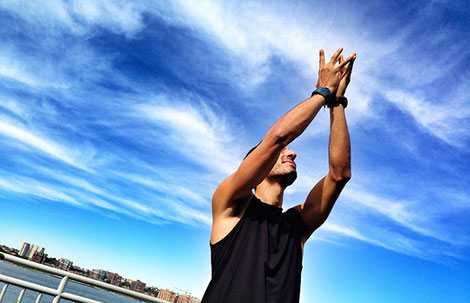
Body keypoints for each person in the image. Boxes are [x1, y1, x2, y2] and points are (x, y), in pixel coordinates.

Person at [201, 47, 356, 303]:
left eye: (289, 151)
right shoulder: (230, 204)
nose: (292, 153)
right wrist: (322, 92)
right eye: (282, 153)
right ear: (258, 166)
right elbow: (277, 137)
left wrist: (337, 103)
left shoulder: (298, 224)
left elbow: (339, 175)